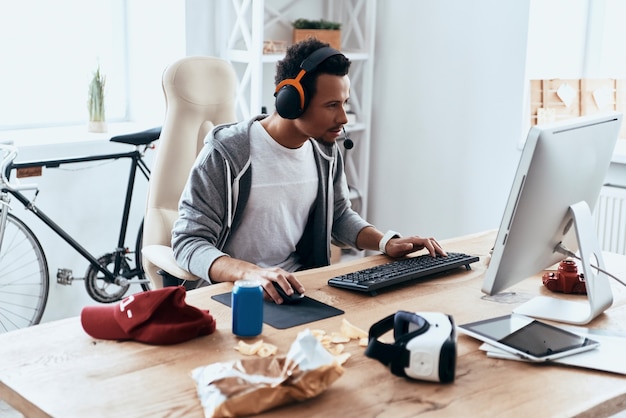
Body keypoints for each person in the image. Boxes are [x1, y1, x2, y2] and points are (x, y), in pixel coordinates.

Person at [171, 38, 447, 304]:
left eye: (344, 103)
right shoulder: (227, 154)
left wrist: (386, 241)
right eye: (331, 105)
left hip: (298, 290)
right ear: (292, 101)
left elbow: (338, 217)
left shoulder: (325, 152)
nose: (343, 118)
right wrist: (251, 273)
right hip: (235, 294)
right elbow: (188, 242)